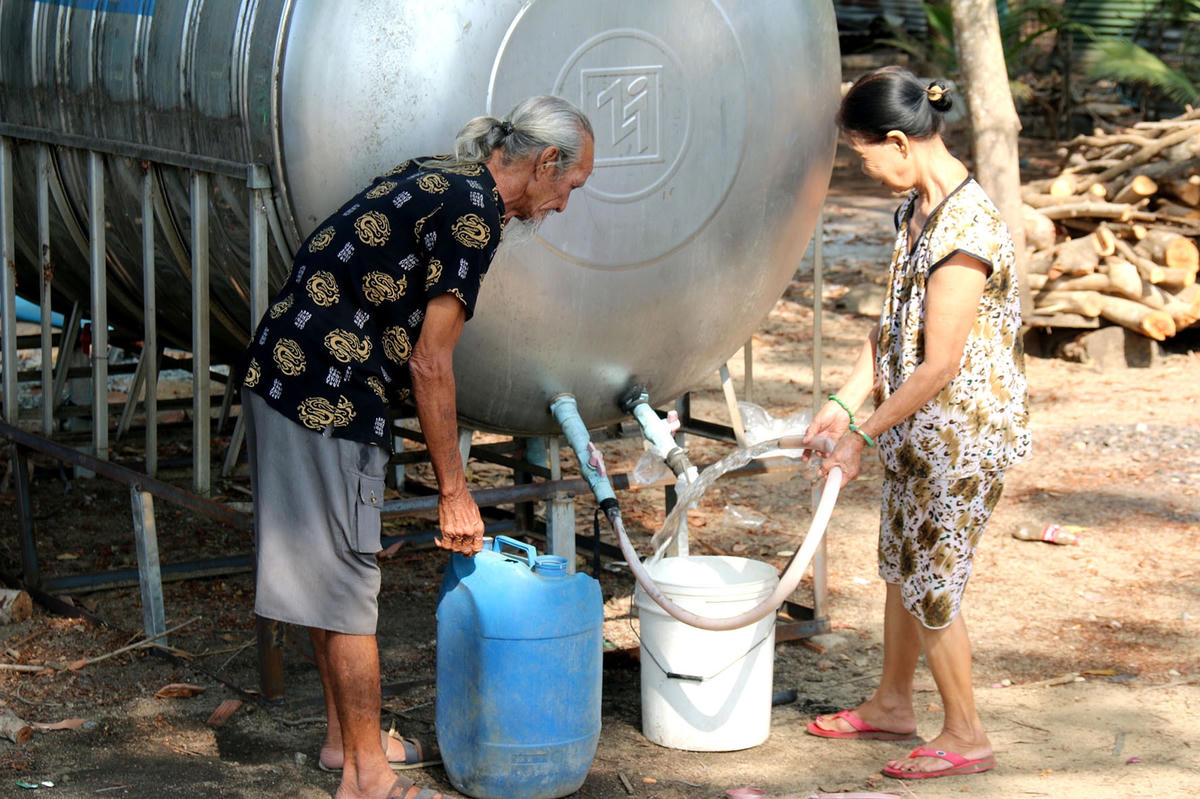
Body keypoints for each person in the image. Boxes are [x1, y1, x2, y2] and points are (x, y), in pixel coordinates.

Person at [240, 95, 595, 799]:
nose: (562, 205)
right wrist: (454, 489)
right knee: (347, 581)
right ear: (545, 162)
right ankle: (369, 777)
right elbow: (432, 362)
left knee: (326, 571)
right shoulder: (474, 216)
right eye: (569, 186)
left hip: (284, 369)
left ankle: (346, 743)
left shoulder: (446, 175)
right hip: (324, 391)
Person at [800, 67, 1031, 780]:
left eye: (864, 155)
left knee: (933, 581)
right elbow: (891, 330)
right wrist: (842, 400)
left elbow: (937, 364)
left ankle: (966, 731)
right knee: (902, 566)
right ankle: (892, 702)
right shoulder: (918, 212)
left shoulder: (965, 229)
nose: (864, 171)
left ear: (899, 142)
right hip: (916, 432)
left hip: (960, 436)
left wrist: (860, 437)